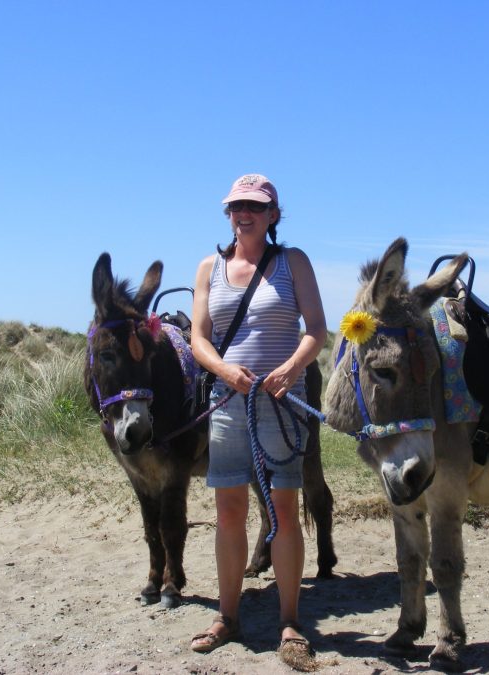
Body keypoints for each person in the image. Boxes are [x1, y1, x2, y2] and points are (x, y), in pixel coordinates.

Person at [189, 174, 326, 668]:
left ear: (272, 214)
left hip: (282, 404)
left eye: (253, 205)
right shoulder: (210, 267)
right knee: (228, 511)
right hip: (229, 402)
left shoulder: (294, 263)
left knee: (283, 512)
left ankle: (290, 621)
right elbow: (198, 339)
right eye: (235, 206)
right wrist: (226, 370)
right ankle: (228, 617)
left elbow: (316, 329)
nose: (242, 213)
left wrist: (291, 369)